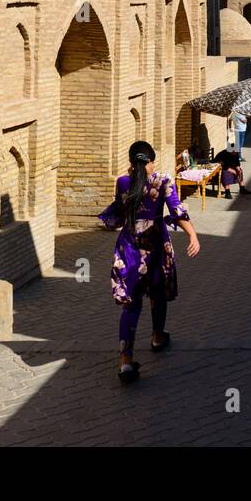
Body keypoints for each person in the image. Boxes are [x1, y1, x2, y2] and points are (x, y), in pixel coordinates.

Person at [97, 141, 201, 385]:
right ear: (151, 161)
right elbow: (177, 210)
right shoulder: (163, 180)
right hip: (155, 244)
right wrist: (192, 234)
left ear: (131, 161)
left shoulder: (123, 182)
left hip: (129, 247)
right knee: (158, 293)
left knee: (130, 305)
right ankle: (156, 337)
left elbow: (120, 215)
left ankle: (125, 362)